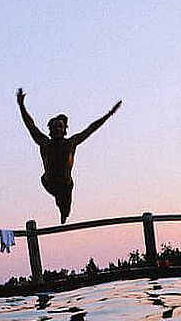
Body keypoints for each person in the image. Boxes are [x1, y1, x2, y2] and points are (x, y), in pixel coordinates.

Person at [16, 88, 122, 224]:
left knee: (65, 208)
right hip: (49, 183)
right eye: (54, 127)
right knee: (59, 199)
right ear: (50, 130)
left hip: (66, 185)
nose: (57, 129)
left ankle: (63, 210)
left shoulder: (71, 143)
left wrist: (109, 114)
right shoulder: (44, 143)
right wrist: (22, 106)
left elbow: (91, 128)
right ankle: (61, 205)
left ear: (65, 129)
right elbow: (31, 125)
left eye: (60, 127)